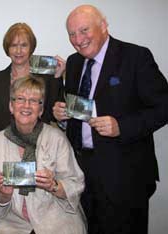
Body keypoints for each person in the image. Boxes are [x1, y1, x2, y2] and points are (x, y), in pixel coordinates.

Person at [52, 5, 168, 234]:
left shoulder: (136, 57)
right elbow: (80, 113)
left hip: (125, 177)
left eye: (84, 30)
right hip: (83, 175)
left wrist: (121, 127)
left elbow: (163, 107)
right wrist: (64, 118)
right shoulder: (74, 63)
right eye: (72, 34)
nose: (78, 39)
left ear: (103, 26)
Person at [0, 76, 86, 234]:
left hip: (57, 222)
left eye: (34, 100)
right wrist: (3, 195)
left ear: (40, 110)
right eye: (20, 99)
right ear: (11, 106)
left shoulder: (56, 138)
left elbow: (76, 183)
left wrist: (54, 185)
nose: (26, 105)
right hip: (14, 225)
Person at [0, 22, 65, 135]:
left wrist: (58, 77)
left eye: (24, 45)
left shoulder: (48, 78)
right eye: (14, 45)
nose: (18, 51)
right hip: (3, 144)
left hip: (39, 143)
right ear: (7, 48)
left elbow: (53, 115)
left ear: (31, 48)